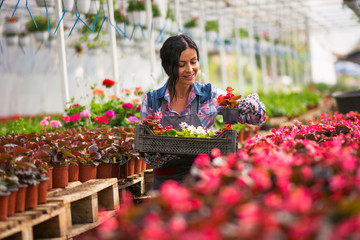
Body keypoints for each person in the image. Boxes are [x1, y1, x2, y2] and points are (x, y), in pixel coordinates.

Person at [140, 34, 266, 190]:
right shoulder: (152, 101)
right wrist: (156, 155)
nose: (190, 69)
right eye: (181, 64)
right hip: (166, 183)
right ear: (169, 66)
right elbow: (145, 148)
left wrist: (253, 107)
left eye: (194, 62)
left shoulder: (210, 95)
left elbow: (255, 119)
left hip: (204, 180)